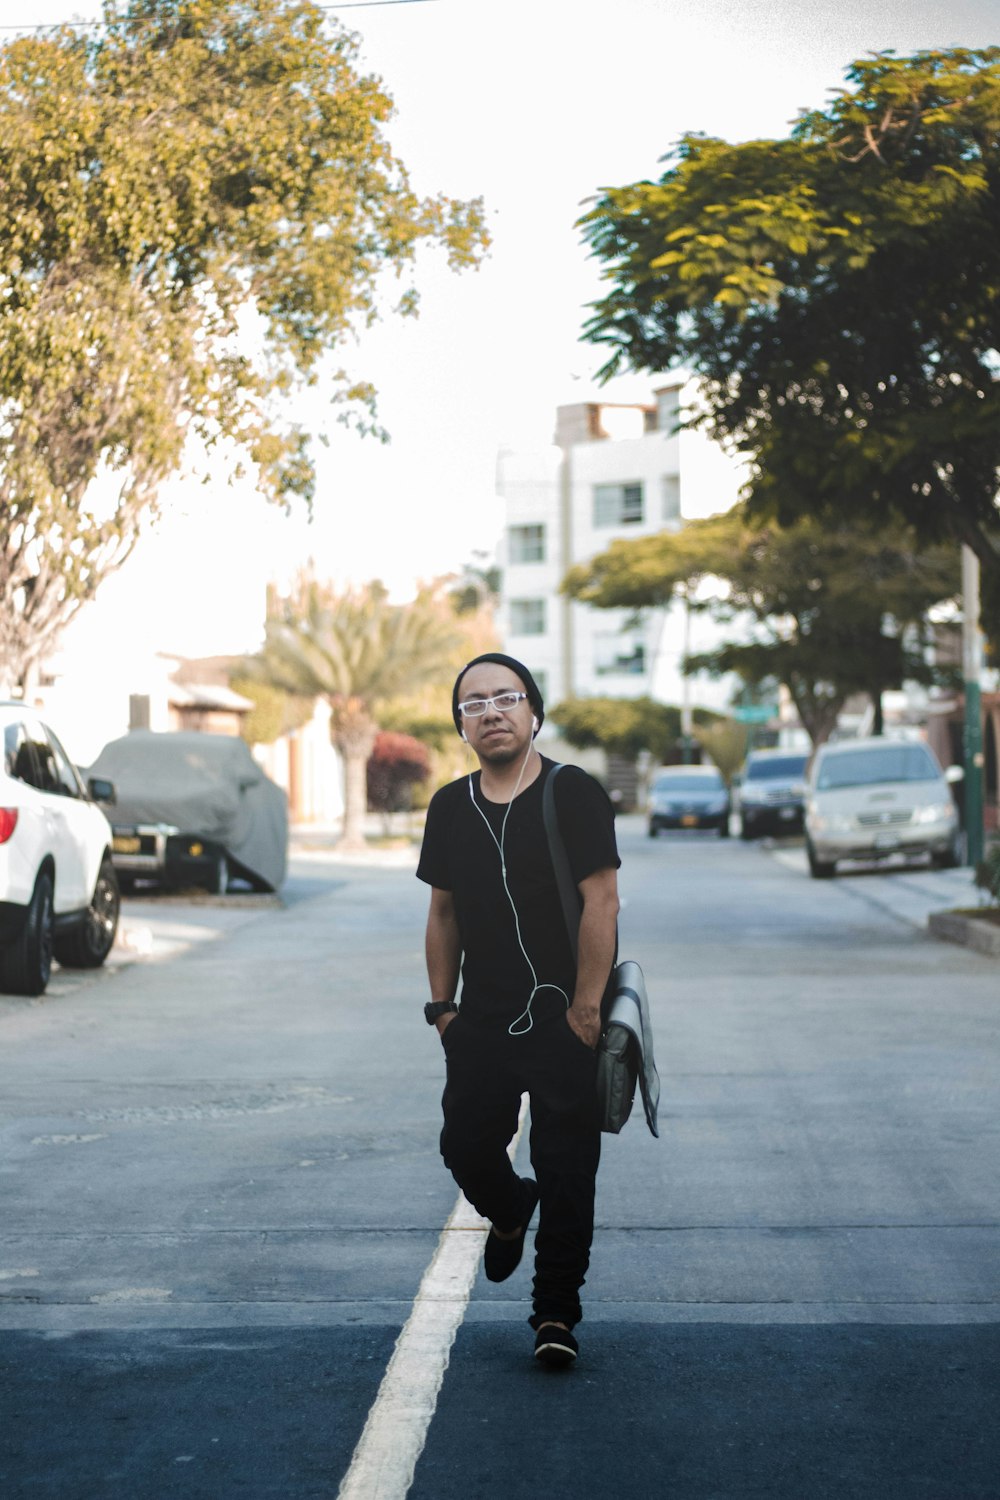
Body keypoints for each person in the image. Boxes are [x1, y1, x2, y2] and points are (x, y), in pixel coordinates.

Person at [416, 652, 621, 1368]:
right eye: (474, 703)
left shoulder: (574, 793)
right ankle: (507, 1208)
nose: (491, 712)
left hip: (565, 1019)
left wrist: (588, 1009)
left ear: (534, 711)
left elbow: (603, 898)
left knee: (568, 1171)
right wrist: (444, 1009)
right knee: (464, 1147)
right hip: (482, 1022)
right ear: (462, 725)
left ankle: (555, 1315)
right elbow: (442, 913)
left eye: (506, 698)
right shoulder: (449, 807)